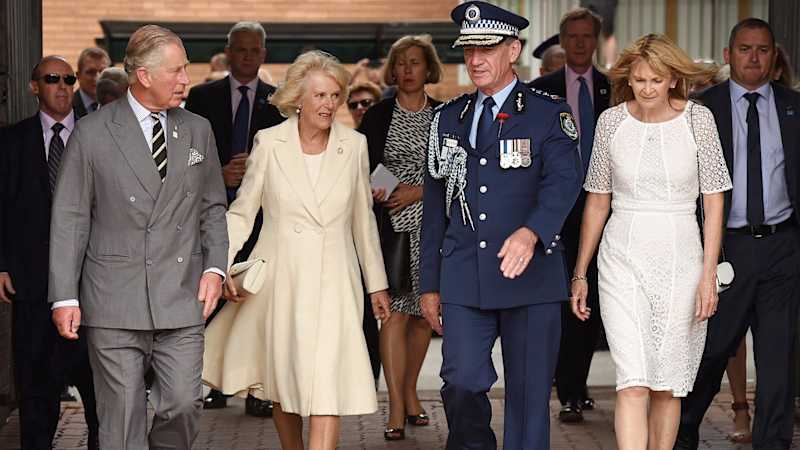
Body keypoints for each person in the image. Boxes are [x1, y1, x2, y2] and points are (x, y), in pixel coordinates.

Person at [48, 25, 228, 449]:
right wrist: (64, 296)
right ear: (144, 76)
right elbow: (70, 217)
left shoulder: (198, 129)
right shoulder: (92, 133)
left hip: (181, 296)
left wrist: (216, 268)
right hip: (113, 298)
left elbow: (212, 208)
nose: (187, 78)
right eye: (177, 70)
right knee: (121, 417)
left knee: (183, 404)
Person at [202, 50, 392, 450]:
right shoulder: (269, 143)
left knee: (327, 383)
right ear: (298, 99)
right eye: (320, 95)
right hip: (281, 281)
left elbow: (363, 221)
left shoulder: (354, 145)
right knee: (283, 381)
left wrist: (376, 284)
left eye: (334, 96)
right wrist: (219, 266)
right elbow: (242, 213)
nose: (328, 104)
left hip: (336, 282)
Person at [420, 2, 582, 448]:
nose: (475, 60)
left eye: (486, 48)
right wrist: (429, 284)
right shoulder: (446, 119)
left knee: (530, 400)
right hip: (464, 276)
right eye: (468, 49)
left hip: (530, 277)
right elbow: (435, 209)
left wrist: (532, 232)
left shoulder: (549, 114)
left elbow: (563, 183)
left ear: (513, 50)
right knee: (461, 382)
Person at [675, 18, 800, 450]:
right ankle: (683, 429)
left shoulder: (793, 107)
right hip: (725, 248)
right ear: (729, 55)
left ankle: (773, 443)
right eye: (744, 49)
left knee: (778, 360)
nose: (753, 57)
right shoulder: (701, 109)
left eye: (762, 49)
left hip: (783, 246)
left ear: (774, 56)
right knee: (711, 352)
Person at [185, 20, 284, 417]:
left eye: (253, 50)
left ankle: (259, 388)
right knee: (212, 296)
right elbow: (187, 157)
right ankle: (213, 383)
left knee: (255, 301)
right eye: (239, 49)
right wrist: (218, 173)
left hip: (261, 218)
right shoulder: (201, 97)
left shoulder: (279, 102)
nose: (246, 56)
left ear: (263, 53)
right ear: (228, 52)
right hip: (210, 212)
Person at [0, 55, 99, 450]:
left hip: (93, 281)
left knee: (99, 393)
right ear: (33, 87)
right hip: (32, 282)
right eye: (52, 79)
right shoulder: (11, 140)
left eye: (69, 79)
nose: (62, 86)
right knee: (36, 391)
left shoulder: (96, 135)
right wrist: (1, 263)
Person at [356, 34, 443, 440]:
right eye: (401, 63)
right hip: (392, 226)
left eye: (415, 62)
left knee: (424, 316)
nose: (407, 70)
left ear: (429, 69)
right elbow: (365, 166)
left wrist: (420, 191)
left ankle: (410, 391)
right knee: (393, 314)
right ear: (393, 70)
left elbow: (455, 172)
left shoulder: (447, 115)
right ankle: (394, 404)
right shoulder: (377, 114)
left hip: (435, 226)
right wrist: (396, 190)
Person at [529, 6, 611, 423]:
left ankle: (577, 386)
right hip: (556, 209)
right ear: (562, 41)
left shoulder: (614, 89)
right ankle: (565, 388)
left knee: (591, 296)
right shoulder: (541, 90)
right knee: (560, 299)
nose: (580, 43)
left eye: (587, 36)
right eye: (573, 37)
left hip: (603, 210)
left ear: (595, 40)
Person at [72, 47, 110, 117]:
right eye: (91, 72)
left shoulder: (117, 107)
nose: (97, 77)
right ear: (78, 76)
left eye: (102, 72)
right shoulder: (67, 107)